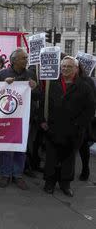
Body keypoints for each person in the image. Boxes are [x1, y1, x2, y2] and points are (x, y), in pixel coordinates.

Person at [41, 56, 95, 197]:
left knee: (68, 159)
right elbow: (43, 103)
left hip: (73, 131)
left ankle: (65, 184)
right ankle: (49, 183)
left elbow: (89, 109)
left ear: (76, 69)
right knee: (51, 157)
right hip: (52, 128)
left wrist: (78, 125)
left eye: (69, 66)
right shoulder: (51, 84)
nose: (65, 69)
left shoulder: (84, 86)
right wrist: (42, 120)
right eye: (63, 66)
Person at [0, 49, 39, 190]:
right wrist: (3, 85)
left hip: (25, 118)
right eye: (22, 58)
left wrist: (35, 87)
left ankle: (18, 175)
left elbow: (39, 95)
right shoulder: (2, 75)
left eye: (26, 58)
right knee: (6, 147)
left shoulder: (31, 74)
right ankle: (5, 174)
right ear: (13, 61)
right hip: (7, 118)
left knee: (21, 148)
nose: (26, 60)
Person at [77, 62, 96, 181]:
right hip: (70, 119)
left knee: (83, 146)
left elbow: (93, 101)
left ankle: (85, 169)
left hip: (84, 119)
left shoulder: (87, 81)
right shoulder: (63, 80)